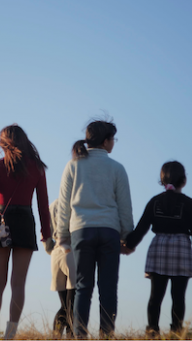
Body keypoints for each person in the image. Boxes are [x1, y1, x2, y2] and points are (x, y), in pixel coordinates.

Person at [0, 124, 51, 340]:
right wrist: (47, 234)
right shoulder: (37, 168)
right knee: (18, 283)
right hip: (25, 222)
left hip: (1, 221)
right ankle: (10, 334)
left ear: (4, 143)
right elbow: (43, 204)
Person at [56, 119, 134, 338]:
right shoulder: (117, 168)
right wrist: (127, 236)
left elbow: (64, 205)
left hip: (81, 230)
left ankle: (79, 335)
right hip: (109, 231)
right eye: (113, 139)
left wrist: (62, 236)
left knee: (82, 287)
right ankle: (106, 334)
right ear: (107, 141)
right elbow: (124, 206)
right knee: (108, 288)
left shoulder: (72, 165)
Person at [125, 161, 192, 335]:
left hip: (159, 248)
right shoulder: (189, 203)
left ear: (162, 181)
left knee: (155, 296)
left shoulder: (154, 201)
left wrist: (129, 244)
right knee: (178, 296)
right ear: (184, 181)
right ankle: (176, 332)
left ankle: (152, 331)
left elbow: (142, 227)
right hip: (181, 249)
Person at [45, 199, 76, 338]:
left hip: (55, 255)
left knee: (64, 305)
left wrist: (52, 250)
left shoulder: (52, 205)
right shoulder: (77, 202)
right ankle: (71, 337)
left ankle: (56, 336)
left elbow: (45, 237)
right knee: (72, 306)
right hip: (71, 251)